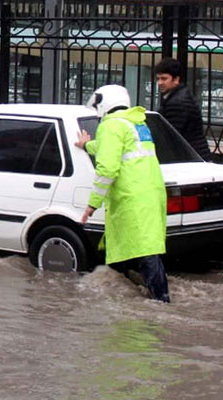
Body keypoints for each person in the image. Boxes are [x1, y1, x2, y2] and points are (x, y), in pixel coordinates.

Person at [74, 84, 171, 302]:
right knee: (146, 247)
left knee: (144, 251)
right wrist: (88, 144)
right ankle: (151, 297)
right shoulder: (136, 124)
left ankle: (161, 303)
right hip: (151, 193)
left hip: (132, 196)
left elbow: (107, 169)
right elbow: (113, 148)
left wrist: (92, 204)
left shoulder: (111, 127)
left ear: (104, 103)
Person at [155, 57, 211, 161]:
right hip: (195, 157)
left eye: (164, 78)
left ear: (176, 79)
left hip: (191, 159)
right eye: (158, 78)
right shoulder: (179, 96)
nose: (160, 83)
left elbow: (169, 136)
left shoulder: (177, 103)